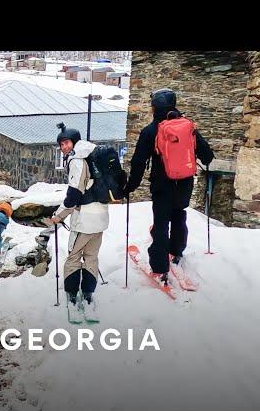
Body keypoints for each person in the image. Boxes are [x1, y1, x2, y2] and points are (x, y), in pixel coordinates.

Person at [123, 88, 214, 284]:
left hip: (162, 184)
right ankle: (176, 251)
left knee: (161, 223)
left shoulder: (150, 131)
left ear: (154, 106)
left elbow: (139, 161)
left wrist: (130, 186)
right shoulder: (188, 128)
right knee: (179, 215)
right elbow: (208, 156)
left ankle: (159, 267)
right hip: (185, 184)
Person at [46, 123, 108, 323]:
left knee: (73, 257)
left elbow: (74, 194)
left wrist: (58, 216)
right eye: (61, 144)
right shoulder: (93, 153)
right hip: (101, 216)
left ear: (74, 142)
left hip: (84, 220)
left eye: (66, 143)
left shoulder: (77, 160)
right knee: (91, 257)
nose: (63, 147)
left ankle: (73, 297)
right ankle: (89, 296)